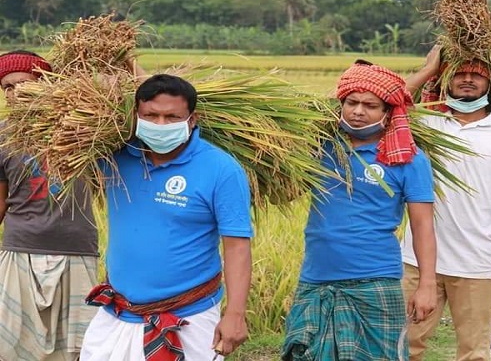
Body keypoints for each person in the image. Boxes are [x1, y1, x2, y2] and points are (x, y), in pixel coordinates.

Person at [80, 74, 253, 360]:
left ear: (192, 119)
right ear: (135, 115)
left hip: (188, 318)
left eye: (172, 117)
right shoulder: (114, 157)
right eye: (151, 116)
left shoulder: (221, 170)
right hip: (117, 312)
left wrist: (235, 313)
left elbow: (236, 246)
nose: (161, 125)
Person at [282, 60, 437, 361]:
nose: (358, 111)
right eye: (351, 102)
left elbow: (422, 227)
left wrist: (427, 285)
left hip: (375, 279)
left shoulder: (407, 158)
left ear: (387, 113)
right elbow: (284, 192)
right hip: (316, 278)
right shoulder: (319, 148)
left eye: (370, 105)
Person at [399, 46, 491, 361]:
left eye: (477, 74)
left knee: (475, 353)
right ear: (446, 78)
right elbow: (389, 102)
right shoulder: (426, 124)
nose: (468, 80)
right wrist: (428, 69)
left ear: (490, 83)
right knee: (404, 347)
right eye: (460, 73)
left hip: (475, 261)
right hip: (417, 261)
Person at [0, 50, 99, 361]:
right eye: (7, 88)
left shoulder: (82, 127)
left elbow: (138, 111)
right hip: (20, 250)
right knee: (13, 346)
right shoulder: (2, 135)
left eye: (24, 84)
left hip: (77, 248)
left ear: (46, 84)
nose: (15, 94)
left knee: (80, 349)